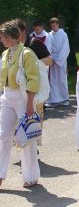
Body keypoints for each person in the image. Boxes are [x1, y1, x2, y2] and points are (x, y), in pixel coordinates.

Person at [0, 20, 40, 188]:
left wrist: (30, 104)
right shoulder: (4, 54)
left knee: (26, 138)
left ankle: (30, 176)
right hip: (6, 97)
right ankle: (0, 175)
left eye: (3, 36)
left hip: (22, 98)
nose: (1, 39)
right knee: (2, 136)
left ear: (12, 36)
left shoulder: (27, 53)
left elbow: (33, 79)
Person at [16, 19, 52, 146]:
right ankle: (22, 146)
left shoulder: (34, 42)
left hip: (35, 87)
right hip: (18, 88)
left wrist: (32, 63)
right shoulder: (13, 46)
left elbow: (49, 60)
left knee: (34, 119)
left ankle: (33, 146)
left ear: (24, 31)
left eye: (17, 32)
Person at [46, 18, 70, 107]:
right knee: (53, 80)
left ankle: (64, 99)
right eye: (52, 26)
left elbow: (66, 48)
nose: (53, 27)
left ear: (58, 25)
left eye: (54, 25)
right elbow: (48, 47)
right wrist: (50, 58)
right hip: (52, 60)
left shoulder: (63, 35)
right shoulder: (49, 35)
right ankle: (53, 99)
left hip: (61, 60)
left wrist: (59, 59)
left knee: (61, 79)